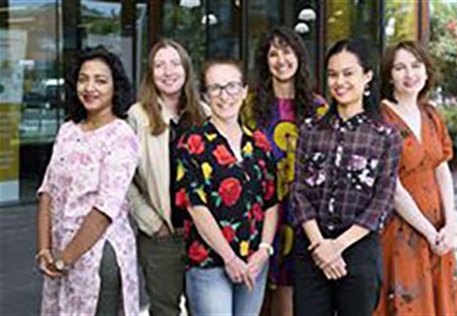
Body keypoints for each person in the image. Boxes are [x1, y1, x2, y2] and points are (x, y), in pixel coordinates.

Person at [290, 39, 403, 316]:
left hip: (359, 249)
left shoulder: (386, 136)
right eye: (332, 74)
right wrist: (320, 246)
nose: (339, 82)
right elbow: (299, 191)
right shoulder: (310, 129)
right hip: (311, 248)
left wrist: (337, 247)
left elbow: (383, 201)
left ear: (367, 76)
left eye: (348, 73)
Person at [36, 46, 140, 315]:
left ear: (115, 88)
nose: (90, 87)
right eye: (84, 79)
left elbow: (105, 209)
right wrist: (44, 250)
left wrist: (64, 260)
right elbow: (48, 191)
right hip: (59, 254)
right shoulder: (68, 130)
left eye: (100, 80)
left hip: (96, 254)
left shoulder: (121, 136)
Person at [175, 59, 279, 315]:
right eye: (216, 88)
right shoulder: (192, 143)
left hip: (254, 262)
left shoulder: (259, 143)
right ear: (206, 96)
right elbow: (195, 206)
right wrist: (229, 258)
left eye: (232, 86)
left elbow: (272, 201)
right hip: (210, 263)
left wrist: (264, 251)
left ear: (244, 92)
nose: (225, 96)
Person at [242, 26, 327, 316]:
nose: (281, 60)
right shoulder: (248, 106)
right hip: (259, 210)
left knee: (292, 293)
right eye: (273, 54)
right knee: (254, 291)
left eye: (287, 51)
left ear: (299, 56)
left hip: (303, 214)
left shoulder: (318, 108)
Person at [374, 41, 457, 315]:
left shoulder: (432, 115)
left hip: (439, 230)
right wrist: (428, 231)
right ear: (389, 75)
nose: (409, 74)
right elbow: (394, 188)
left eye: (416, 66)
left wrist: (450, 224)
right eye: (400, 67)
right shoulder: (381, 117)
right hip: (402, 231)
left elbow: (442, 170)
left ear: (426, 71)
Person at [127, 38, 206, 316]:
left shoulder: (205, 115)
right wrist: (150, 221)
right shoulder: (138, 116)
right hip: (161, 236)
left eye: (174, 63)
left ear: (186, 69)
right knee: (164, 310)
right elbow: (125, 181)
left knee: (204, 309)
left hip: (203, 235)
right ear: (150, 73)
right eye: (159, 65)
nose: (168, 71)